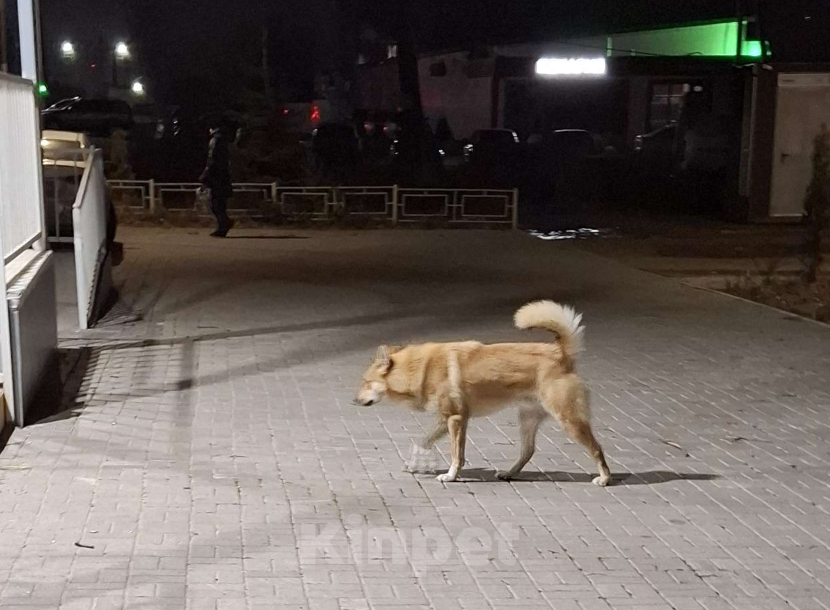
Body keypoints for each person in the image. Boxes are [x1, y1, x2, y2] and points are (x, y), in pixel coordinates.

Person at [199, 119, 235, 237]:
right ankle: (224, 224)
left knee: (216, 203)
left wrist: (205, 175)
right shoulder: (224, 141)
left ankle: (223, 225)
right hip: (223, 176)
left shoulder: (215, 141)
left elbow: (211, 160)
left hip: (216, 177)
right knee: (220, 203)